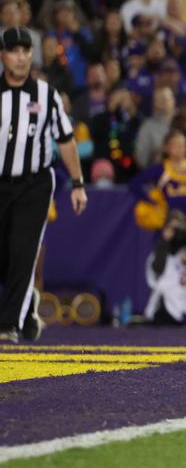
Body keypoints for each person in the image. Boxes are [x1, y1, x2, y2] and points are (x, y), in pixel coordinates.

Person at [0, 27, 88, 343]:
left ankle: (7, 324)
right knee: (5, 256)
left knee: (23, 252)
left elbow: (65, 140)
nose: (21, 57)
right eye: (15, 51)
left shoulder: (46, 94)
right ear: (3, 56)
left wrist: (77, 183)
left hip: (34, 184)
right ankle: (26, 311)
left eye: (26, 51)